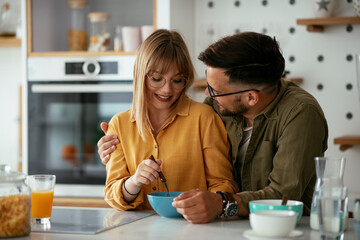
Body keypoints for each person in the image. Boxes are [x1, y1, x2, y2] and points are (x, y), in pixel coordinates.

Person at [98, 31, 328, 223]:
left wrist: (221, 202)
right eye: (207, 86)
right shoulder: (220, 106)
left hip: (282, 229)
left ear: (250, 98)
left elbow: (282, 195)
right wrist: (114, 145)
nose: (208, 95)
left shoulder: (300, 114)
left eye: (215, 91)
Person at [103, 29, 238, 211]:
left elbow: (224, 184)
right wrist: (134, 181)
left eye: (177, 80)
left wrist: (207, 205)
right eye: (157, 79)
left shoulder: (204, 118)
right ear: (140, 75)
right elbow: (112, 194)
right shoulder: (119, 124)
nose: (167, 90)